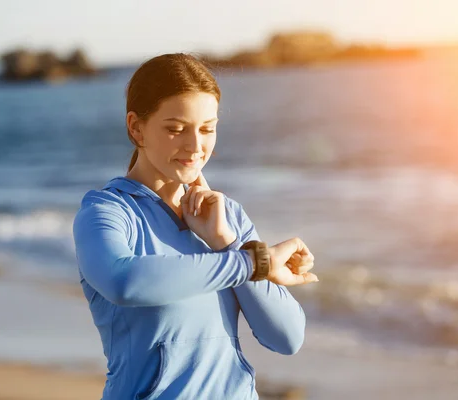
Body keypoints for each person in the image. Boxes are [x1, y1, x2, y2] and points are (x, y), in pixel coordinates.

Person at [72, 53, 319, 400]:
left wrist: (226, 242)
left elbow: (287, 337)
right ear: (136, 127)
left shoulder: (226, 216)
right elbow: (124, 283)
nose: (195, 146)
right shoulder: (107, 212)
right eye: (175, 130)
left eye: (207, 129)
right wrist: (252, 263)